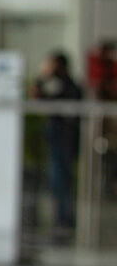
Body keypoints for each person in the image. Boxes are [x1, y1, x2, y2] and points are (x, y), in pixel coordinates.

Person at [31, 51, 82, 235]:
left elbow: (44, 98)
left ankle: (64, 219)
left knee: (61, 181)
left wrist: (42, 77)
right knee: (57, 181)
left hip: (64, 141)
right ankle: (62, 218)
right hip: (57, 140)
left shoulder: (69, 87)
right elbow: (38, 97)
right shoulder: (60, 86)